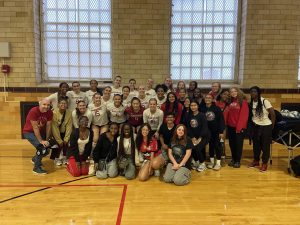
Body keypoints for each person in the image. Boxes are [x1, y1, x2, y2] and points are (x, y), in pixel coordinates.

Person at [248, 86, 275, 172]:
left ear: (258, 93)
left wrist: (272, 126)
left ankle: (264, 163)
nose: (253, 93)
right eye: (251, 92)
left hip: (266, 126)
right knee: (256, 146)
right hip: (256, 126)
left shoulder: (264, 101)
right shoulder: (252, 102)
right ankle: (256, 161)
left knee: (265, 146)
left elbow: (273, 114)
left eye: (255, 91)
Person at [23, 98, 53, 174]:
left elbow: (48, 126)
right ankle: (36, 168)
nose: (46, 106)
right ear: (40, 104)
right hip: (29, 132)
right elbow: (35, 127)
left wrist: (47, 139)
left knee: (46, 150)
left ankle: (34, 159)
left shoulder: (49, 112)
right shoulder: (33, 111)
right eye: (44, 104)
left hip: (39, 132)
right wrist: (41, 141)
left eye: (48, 105)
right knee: (41, 148)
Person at [227, 87, 249, 168]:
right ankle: (233, 158)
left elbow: (244, 116)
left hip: (239, 127)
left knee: (238, 144)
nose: (233, 93)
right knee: (232, 144)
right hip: (230, 127)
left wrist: (239, 128)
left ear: (238, 92)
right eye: (231, 91)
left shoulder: (243, 102)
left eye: (235, 91)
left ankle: (237, 161)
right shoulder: (230, 102)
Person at [202, 94, 225, 171]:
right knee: (210, 146)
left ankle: (218, 163)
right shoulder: (202, 108)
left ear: (212, 99)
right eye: (206, 98)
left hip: (216, 131)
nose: (207, 99)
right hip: (207, 131)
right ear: (204, 99)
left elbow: (221, 120)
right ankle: (211, 162)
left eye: (209, 98)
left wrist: (221, 131)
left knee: (217, 146)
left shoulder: (217, 108)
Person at [186, 100, 210, 172]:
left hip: (204, 136)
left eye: (195, 105)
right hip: (194, 136)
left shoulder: (202, 115)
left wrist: (200, 138)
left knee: (198, 148)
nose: (193, 107)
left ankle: (202, 164)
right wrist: (193, 137)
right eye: (191, 106)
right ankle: (197, 162)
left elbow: (204, 127)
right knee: (191, 147)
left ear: (198, 106)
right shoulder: (189, 116)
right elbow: (188, 128)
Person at [51, 98, 72, 166]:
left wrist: (66, 138)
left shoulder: (69, 113)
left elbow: (69, 126)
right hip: (56, 132)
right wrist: (59, 140)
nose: (63, 105)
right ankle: (57, 158)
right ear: (58, 105)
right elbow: (54, 127)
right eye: (61, 103)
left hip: (65, 132)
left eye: (65, 103)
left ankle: (64, 158)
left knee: (66, 144)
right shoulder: (54, 113)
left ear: (67, 105)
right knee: (58, 145)